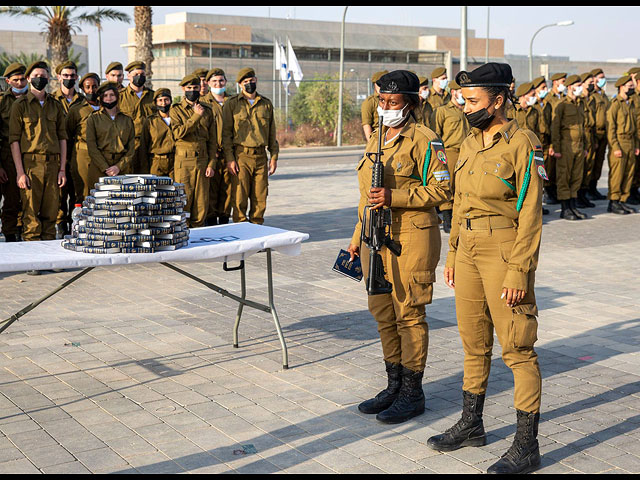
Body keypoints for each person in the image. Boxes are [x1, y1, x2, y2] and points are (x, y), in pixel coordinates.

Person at [426, 63, 544, 475]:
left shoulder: (522, 143)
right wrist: (454, 254)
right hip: (471, 249)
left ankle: (527, 445)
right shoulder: (471, 141)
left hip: (504, 250)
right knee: (473, 342)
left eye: (472, 100)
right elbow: (460, 204)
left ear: (498, 100)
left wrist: (518, 271)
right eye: (462, 99)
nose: (464, 106)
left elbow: (530, 213)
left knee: (517, 348)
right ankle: (472, 423)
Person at [347, 70, 452, 424]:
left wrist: (397, 196)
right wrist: (355, 236)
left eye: (393, 102)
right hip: (373, 237)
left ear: (411, 102)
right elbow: (366, 196)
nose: (386, 107)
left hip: (411, 237)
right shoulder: (376, 137)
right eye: (382, 101)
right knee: (382, 312)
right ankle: (393, 384)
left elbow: (444, 190)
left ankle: (412, 391)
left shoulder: (425, 139)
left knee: (409, 314)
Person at [9, 61, 68, 259]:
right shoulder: (20, 106)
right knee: (31, 214)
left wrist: (62, 170)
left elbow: (62, 138)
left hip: (53, 164)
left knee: (51, 213)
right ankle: (33, 258)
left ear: (48, 79)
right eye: (36, 75)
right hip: (30, 165)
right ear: (28, 79)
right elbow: (14, 141)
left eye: (43, 75)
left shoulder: (55, 105)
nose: (40, 79)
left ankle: (50, 257)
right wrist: (20, 172)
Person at [222, 68, 278, 225]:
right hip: (241, 156)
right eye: (245, 82)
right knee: (239, 197)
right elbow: (226, 134)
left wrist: (273, 157)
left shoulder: (266, 104)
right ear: (240, 85)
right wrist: (230, 159)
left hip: (260, 156)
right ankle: (241, 232)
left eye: (251, 80)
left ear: (256, 80)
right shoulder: (232, 104)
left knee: (260, 197)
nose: (249, 84)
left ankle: (257, 232)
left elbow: (272, 133)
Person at [170, 74, 217, 228]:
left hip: (202, 161)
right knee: (185, 199)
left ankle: (197, 232)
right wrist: (196, 116)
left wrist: (211, 164)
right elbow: (178, 133)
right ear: (184, 89)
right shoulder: (176, 110)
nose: (192, 91)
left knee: (202, 202)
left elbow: (212, 141)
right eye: (189, 88)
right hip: (184, 162)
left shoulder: (207, 111)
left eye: (195, 88)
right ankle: (184, 230)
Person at [430, 79, 469, 231]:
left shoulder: (467, 110)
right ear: (453, 93)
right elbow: (435, 135)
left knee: (464, 185)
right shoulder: (442, 111)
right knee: (448, 185)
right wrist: (438, 156)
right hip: (450, 152)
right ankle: (447, 218)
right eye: (461, 93)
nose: (464, 97)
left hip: (466, 152)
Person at [52, 60, 83, 236]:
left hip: (78, 155)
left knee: (77, 195)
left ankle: (74, 228)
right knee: (59, 197)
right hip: (59, 155)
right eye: (65, 76)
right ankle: (60, 228)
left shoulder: (82, 101)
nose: (69, 79)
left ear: (77, 77)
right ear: (58, 77)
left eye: (72, 76)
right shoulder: (52, 100)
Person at [85, 82, 135, 189]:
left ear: (117, 97)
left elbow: (131, 148)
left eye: (112, 95)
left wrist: (118, 167)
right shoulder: (93, 119)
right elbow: (92, 147)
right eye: (105, 96)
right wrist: (105, 168)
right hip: (99, 167)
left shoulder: (127, 120)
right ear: (101, 98)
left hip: (121, 167)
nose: (109, 98)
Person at [550, 74, 587, 220]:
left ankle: (573, 206)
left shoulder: (580, 104)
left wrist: (585, 146)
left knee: (576, 176)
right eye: (578, 86)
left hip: (579, 146)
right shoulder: (562, 105)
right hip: (566, 145)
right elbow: (555, 128)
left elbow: (583, 127)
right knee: (564, 176)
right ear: (570, 87)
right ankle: (565, 208)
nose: (580, 88)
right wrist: (557, 148)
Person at [0, 62, 28, 242]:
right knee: (11, 199)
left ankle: (25, 233)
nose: (20, 83)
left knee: (28, 200)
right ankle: (10, 236)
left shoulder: (34, 99)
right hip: (8, 155)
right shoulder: (2, 102)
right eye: (15, 80)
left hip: (30, 154)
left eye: (23, 79)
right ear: (8, 81)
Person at [202, 68, 232, 225]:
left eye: (221, 80)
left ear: (226, 82)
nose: (218, 84)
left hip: (230, 155)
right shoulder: (202, 104)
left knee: (228, 192)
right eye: (214, 81)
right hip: (211, 156)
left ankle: (225, 223)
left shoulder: (233, 102)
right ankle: (212, 226)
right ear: (208, 83)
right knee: (211, 193)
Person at [66, 72, 102, 201]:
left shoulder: (105, 107)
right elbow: (68, 134)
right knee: (83, 192)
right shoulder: (76, 109)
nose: (91, 90)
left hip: (103, 153)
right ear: (83, 89)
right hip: (83, 153)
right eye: (88, 87)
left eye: (94, 86)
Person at [514, 81, 548, 215]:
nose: (535, 96)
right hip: (517, 152)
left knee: (534, 182)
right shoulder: (512, 110)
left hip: (532, 151)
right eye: (532, 94)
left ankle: (533, 208)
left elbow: (540, 131)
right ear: (523, 95)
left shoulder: (535, 111)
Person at [606, 75, 639, 215]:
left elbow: (636, 127)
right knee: (617, 175)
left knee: (628, 174)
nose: (632, 89)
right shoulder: (615, 104)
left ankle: (623, 201)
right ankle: (614, 201)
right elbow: (611, 128)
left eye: (632, 86)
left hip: (630, 142)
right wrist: (615, 147)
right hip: (619, 142)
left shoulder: (630, 104)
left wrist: (636, 145)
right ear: (621, 87)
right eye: (629, 86)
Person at [119, 61, 155, 173]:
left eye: (142, 75)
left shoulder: (153, 96)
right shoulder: (120, 96)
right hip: (128, 145)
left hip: (149, 145)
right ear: (129, 76)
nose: (139, 77)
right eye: (135, 75)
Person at [140, 88, 175, 178]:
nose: (163, 103)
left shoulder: (176, 118)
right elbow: (144, 144)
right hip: (156, 161)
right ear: (155, 103)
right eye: (160, 100)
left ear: (171, 101)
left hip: (174, 160)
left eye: (166, 100)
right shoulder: (150, 121)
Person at [586, 68, 610, 201]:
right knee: (591, 162)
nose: (602, 80)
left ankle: (594, 187)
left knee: (599, 162)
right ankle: (588, 188)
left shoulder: (603, 95)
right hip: (595, 132)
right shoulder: (592, 95)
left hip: (604, 133)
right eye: (600, 77)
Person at [532, 76, 554, 206]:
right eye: (542, 88)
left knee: (546, 173)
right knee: (536, 175)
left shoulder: (547, 105)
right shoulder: (532, 106)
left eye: (546, 87)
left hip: (545, 142)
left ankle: (543, 198)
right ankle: (537, 203)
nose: (545, 90)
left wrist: (551, 144)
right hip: (536, 144)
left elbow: (551, 125)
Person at [576, 72, 597, 209]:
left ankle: (584, 194)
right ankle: (577, 195)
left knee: (589, 167)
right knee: (580, 168)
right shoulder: (579, 100)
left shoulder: (591, 99)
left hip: (590, 135)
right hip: (582, 134)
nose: (591, 85)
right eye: (589, 83)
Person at [361, 70, 389, 141]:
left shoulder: (393, 99)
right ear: (374, 85)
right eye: (379, 84)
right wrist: (372, 144)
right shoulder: (370, 102)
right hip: (378, 138)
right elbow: (366, 124)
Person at [627, 67, 640, 205]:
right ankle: (629, 192)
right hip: (633, 135)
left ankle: (635, 190)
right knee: (632, 167)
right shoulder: (632, 97)